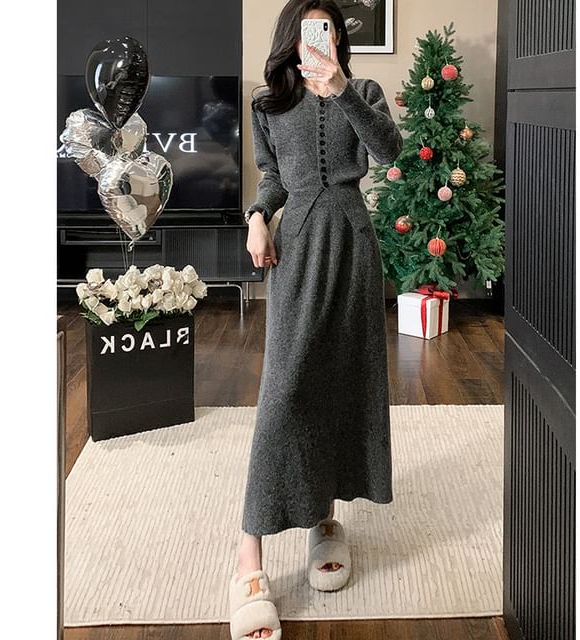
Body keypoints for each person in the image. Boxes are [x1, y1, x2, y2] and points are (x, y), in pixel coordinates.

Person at [230, 1, 403, 638]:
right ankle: (248, 553)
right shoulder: (268, 104)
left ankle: (324, 518)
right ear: (292, 38)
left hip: (353, 242)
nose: (321, 37)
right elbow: (273, 177)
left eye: (328, 28)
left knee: (344, 381)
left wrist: (342, 90)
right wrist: (256, 217)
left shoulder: (365, 90)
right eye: (311, 28)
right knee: (285, 390)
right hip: (299, 246)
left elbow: (388, 151)